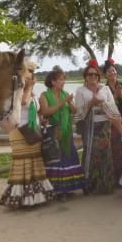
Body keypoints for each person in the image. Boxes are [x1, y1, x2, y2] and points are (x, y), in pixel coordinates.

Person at [0, 60, 54, 209]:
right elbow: (23, 102)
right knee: (22, 163)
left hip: (33, 131)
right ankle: (20, 198)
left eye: (33, 72)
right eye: (30, 72)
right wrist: (29, 87)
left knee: (34, 163)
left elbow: (35, 109)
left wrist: (41, 120)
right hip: (19, 131)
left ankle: (35, 197)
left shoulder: (32, 92)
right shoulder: (14, 90)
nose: (32, 75)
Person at [74, 59, 122, 195]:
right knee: (90, 154)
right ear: (85, 77)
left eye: (95, 75)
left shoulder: (105, 89)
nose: (93, 77)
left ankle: (105, 185)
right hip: (90, 127)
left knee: (105, 154)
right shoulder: (80, 91)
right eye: (90, 75)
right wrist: (91, 103)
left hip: (104, 126)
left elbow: (113, 108)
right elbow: (78, 112)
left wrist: (101, 104)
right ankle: (90, 185)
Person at [39, 65, 85, 199]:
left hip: (67, 133)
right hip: (54, 134)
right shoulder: (44, 95)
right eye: (60, 79)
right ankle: (57, 190)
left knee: (68, 159)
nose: (63, 82)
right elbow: (45, 112)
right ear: (53, 82)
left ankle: (68, 188)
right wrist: (62, 102)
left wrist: (70, 103)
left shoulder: (65, 94)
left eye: (64, 79)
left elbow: (75, 110)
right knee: (56, 160)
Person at [103, 59, 122, 182]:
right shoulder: (104, 88)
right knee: (114, 148)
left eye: (113, 71)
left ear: (116, 73)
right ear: (105, 74)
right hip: (111, 122)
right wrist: (115, 95)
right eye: (109, 72)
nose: (112, 73)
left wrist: (121, 95)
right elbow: (107, 106)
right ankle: (114, 177)